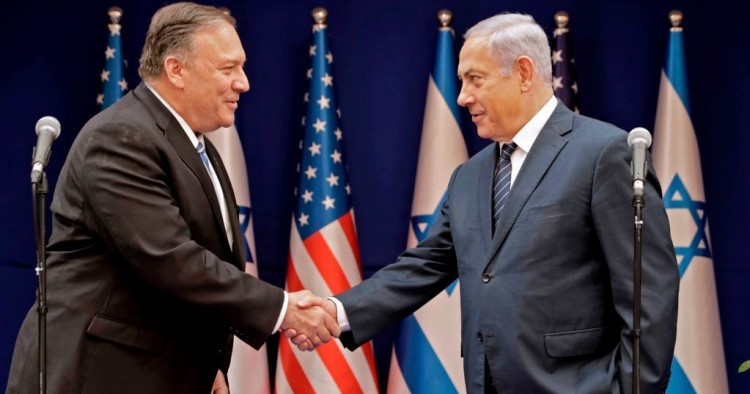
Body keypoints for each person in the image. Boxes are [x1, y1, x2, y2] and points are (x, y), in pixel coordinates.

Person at [292, 12, 679, 393]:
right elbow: (424, 265)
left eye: (475, 79)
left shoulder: (604, 153)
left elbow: (648, 296)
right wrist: (336, 312)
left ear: (524, 73)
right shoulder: (469, 176)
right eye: (461, 81)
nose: (462, 97)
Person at [7, 3, 338, 393]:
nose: (244, 83)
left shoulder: (196, 145)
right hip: (97, 375)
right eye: (228, 69)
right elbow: (169, 259)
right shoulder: (120, 139)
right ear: (176, 69)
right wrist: (283, 310)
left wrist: (205, 365)